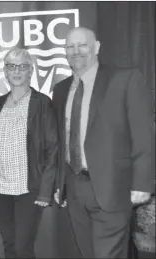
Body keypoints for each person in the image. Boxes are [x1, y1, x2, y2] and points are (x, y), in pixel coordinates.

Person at [52, 27, 154, 258]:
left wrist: (141, 183)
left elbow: (143, 135)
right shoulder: (60, 90)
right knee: (88, 253)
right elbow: (62, 140)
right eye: (70, 47)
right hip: (75, 187)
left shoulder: (125, 79)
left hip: (113, 187)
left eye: (82, 45)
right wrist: (60, 183)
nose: (76, 51)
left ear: (96, 47)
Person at [0, 47, 58, 258]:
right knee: (9, 245)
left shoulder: (42, 103)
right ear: (5, 71)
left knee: (23, 248)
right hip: (0, 188)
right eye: (11, 66)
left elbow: (53, 148)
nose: (16, 71)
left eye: (22, 66)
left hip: (28, 188)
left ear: (30, 71)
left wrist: (45, 189)